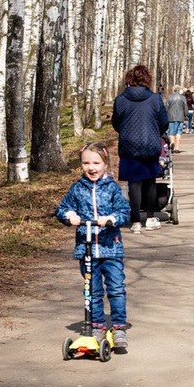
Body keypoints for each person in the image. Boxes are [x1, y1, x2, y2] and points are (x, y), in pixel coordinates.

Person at [55, 142, 133, 347]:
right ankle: (96, 326)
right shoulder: (77, 189)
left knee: (116, 288)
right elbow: (62, 208)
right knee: (92, 290)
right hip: (86, 249)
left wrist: (112, 218)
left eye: (96, 163)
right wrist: (69, 214)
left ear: (105, 164)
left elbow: (125, 212)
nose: (91, 167)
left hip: (111, 248)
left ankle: (118, 326)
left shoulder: (113, 188)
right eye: (86, 163)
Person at [111, 64, 168, 232]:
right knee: (150, 181)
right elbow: (164, 122)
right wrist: (155, 132)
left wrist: (126, 131)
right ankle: (150, 218)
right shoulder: (155, 99)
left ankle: (136, 222)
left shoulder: (120, 100)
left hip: (129, 146)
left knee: (133, 183)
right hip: (149, 144)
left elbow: (116, 123)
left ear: (129, 79)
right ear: (147, 79)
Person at [164, 88, 188, 153]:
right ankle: (177, 148)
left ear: (173, 90)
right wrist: (186, 116)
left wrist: (165, 115)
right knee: (179, 132)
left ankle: (172, 143)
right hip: (180, 117)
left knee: (171, 132)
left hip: (171, 117)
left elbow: (166, 107)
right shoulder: (183, 98)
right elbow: (185, 108)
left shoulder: (170, 97)